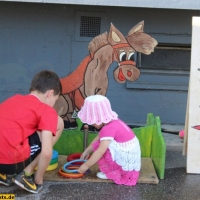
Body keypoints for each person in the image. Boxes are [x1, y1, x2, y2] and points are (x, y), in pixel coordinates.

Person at [0, 70, 64, 193]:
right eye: (55, 100)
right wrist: (38, 179)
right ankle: (26, 174)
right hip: (11, 163)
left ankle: (3, 175)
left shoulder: (14, 99)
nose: (53, 104)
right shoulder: (46, 110)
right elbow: (46, 152)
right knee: (59, 122)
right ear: (50, 94)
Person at [78, 95, 141, 186]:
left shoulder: (108, 129)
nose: (91, 124)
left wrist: (86, 165)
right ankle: (113, 169)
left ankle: (114, 172)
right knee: (101, 143)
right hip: (129, 153)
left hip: (126, 159)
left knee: (102, 147)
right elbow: (100, 137)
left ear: (98, 118)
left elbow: (100, 151)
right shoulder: (113, 122)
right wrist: (87, 150)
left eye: (92, 121)